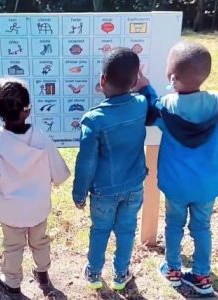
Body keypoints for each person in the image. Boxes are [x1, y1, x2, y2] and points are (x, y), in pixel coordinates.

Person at [0, 77, 70, 299]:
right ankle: (43, 274)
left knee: (13, 247)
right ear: (27, 110)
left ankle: (12, 284)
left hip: (10, 211)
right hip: (38, 208)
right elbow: (61, 174)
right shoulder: (42, 139)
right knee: (40, 241)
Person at [137, 41, 218, 296]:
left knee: (174, 225)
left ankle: (172, 269)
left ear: (172, 77)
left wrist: (144, 85)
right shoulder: (217, 103)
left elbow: (151, 107)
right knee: (202, 227)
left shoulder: (166, 107)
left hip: (175, 185)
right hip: (207, 185)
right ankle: (203, 276)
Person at [72, 47, 149, 291]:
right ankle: (120, 274)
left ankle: (94, 274)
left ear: (102, 80)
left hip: (104, 191)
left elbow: (86, 162)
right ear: (135, 80)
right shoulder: (141, 104)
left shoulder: (94, 120)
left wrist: (79, 193)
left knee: (100, 230)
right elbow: (142, 94)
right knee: (127, 229)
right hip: (135, 184)